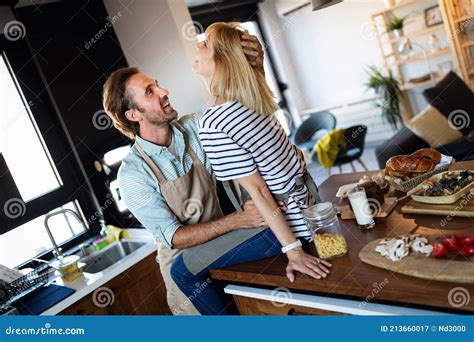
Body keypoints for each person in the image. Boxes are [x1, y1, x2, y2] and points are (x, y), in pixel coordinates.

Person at [102, 35, 298, 315]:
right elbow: (175, 237)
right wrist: (240, 219)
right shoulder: (133, 176)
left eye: (157, 84)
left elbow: (243, 115)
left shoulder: (195, 128)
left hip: (222, 251)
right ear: (133, 115)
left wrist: (257, 68)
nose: (164, 90)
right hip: (186, 275)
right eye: (150, 91)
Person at [172, 22, 332, 306]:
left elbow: (259, 192)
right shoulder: (254, 96)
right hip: (305, 208)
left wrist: (293, 251)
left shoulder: (213, 122)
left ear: (223, 60)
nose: (197, 46)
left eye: (205, 43)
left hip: (280, 227)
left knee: (181, 271)